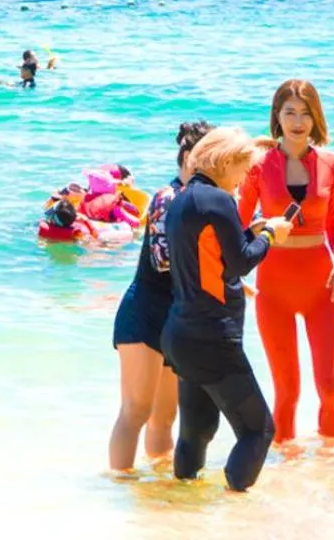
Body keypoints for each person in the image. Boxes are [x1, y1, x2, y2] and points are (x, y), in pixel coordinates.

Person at [163, 128, 291, 492]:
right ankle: (236, 510)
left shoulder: (182, 199)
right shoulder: (218, 201)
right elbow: (239, 264)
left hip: (181, 334)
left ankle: (180, 510)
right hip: (213, 337)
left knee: (197, 431)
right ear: (226, 161)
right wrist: (269, 236)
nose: (244, 177)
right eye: (243, 168)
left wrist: (248, 233)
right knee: (258, 430)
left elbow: (214, 257)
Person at [238, 79, 334, 444]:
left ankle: (330, 469)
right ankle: (285, 475)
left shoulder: (333, 164)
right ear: (277, 117)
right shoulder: (257, 165)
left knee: (330, 387)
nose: (298, 121)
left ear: (316, 119)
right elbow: (235, 225)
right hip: (274, 287)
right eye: (290, 112)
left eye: (305, 113)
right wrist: (235, 275)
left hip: (322, 286)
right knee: (287, 390)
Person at [108, 121, 213, 471]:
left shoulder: (204, 202)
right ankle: (119, 485)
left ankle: (156, 496)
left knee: (165, 417)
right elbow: (163, 260)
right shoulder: (168, 198)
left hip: (175, 316)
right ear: (187, 158)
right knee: (136, 410)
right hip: (144, 313)